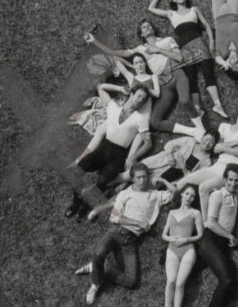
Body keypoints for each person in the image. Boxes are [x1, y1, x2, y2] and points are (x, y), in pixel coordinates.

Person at [74, 163, 176, 305]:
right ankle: (95, 284)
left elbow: (175, 193)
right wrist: (137, 223)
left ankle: (97, 267)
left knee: (131, 281)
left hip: (131, 241)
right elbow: (114, 217)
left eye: (145, 177)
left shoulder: (156, 195)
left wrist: (164, 181)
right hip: (116, 232)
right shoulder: (125, 194)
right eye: (139, 177)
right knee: (98, 253)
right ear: (133, 179)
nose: (142, 180)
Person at [84, 20, 205, 133]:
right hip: (162, 84)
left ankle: (202, 130)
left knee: (184, 101)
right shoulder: (140, 49)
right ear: (141, 34)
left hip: (176, 73)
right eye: (143, 27)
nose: (147, 27)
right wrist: (94, 41)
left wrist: (158, 50)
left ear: (153, 29)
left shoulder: (168, 40)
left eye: (148, 25)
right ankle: (193, 132)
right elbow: (115, 53)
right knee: (154, 122)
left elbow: (179, 58)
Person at [64, 84, 152, 220]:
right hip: (103, 148)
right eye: (138, 95)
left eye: (143, 99)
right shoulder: (113, 107)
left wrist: (133, 156)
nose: (140, 100)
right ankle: (75, 203)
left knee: (103, 181)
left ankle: (84, 205)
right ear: (132, 94)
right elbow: (100, 88)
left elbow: (148, 143)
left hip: (118, 155)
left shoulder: (140, 119)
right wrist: (120, 88)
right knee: (79, 168)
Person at [149, 0, 228, 118]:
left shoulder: (194, 10)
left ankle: (217, 105)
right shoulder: (171, 14)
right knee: (191, 78)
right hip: (184, 47)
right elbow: (151, 8)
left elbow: (207, 26)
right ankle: (197, 109)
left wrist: (212, 42)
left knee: (208, 73)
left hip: (200, 43)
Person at [175, 100, 238, 216]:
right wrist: (234, 143)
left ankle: (205, 222)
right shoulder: (224, 126)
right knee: (183, 182)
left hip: (232, 169)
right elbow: (214, 148)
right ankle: (172, 202)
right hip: (217, 166)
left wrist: (223, 147)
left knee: (204, 187)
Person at [109, 129, 219, 190]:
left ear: (213, 146)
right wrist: (171, 156)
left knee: (138, 188)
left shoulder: (207, 162)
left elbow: (191, 178)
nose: (207, 143)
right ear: (203, 136)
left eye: (211, 142)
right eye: (207, 139)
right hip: (159, 162)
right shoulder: (190, 141)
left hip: (167, 177)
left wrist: (183, 168)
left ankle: (114, 194)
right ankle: (105, 184)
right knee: (128, 175)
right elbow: (169, 144)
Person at [199, 164, 238, 307]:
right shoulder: (217, 195)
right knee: (226, 280)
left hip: (222, 244)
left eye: (237, 180)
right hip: (210, 239)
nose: (233, 183)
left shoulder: (235, 196)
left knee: (233, 286)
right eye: (230, 179)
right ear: (224, 179)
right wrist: (230, 236)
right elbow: (211, 223)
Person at [162, 184, 204, 307]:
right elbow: (163, 234)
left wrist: (186, 239)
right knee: (171, 281)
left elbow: (200, 235)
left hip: (188, 250)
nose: (189, 197)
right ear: (181, 194)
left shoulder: (195, 213)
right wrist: (170, 238)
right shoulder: (172, 212)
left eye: (192, 196)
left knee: (180, 284)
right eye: (187, 194)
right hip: (172, 249)